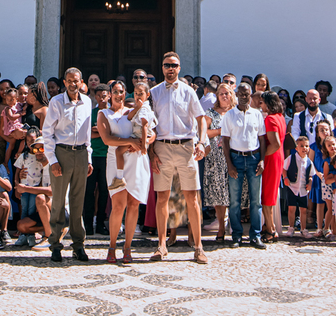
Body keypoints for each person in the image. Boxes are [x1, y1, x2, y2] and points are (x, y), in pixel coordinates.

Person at [149, 52, 209, 264]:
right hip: (162, 148)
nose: (170, 68)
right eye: (167, 65)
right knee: (162, 197)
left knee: (192, 198)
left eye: (174, 65)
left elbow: (201, 119)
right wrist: (151, 152)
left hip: (186, 147)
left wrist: (201, 142)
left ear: (179, 67)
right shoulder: (154, 93)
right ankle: (162, 245)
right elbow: (148, 124)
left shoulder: (188, 92)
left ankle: (199, 247)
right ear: (162, 67)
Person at [43, 67, 93, 263]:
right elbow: (47, 133)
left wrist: (88, 158)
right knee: (58, 201)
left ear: (82, 82)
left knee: (77, 201)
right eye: (70, 81)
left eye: (77, 81)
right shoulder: (56, 102)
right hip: (61, 153)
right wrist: (53, 160)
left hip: (80, 153)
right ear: (64, 82)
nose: (74, 84)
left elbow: (87, 131)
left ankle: (78, 244)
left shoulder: (87, 102)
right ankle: (55, 244)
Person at [98, 81, 151, 263]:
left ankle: (128, 247)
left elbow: (151, 131)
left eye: (121, 92)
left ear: (125, 93)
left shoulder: (133, 113)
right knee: (118, 204)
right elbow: (107, 139)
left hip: (135, 159)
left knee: (134, 203)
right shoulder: (104, 114)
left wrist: (144, 143)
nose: (118, 95)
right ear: (110, 94)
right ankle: (112, 246)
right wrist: (129, 142)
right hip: (116, 160)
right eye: (115, 92)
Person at [221, 82, 266, 248]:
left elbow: (262, 139)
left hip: (254, 158)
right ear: (236, 95)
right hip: (236, 158)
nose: (243, 97)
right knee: (234, 201)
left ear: (251, 95)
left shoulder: (257, 114)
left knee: (256, 200)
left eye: (246, 94)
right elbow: (225, 141)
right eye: (240, 94)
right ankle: (237, 235)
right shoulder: (229, 115)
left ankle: (255, 235)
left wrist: (262, 160)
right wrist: (230, 165)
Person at [202, 82, 234, 243]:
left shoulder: (236, 112)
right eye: (221, 93)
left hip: (234, 158)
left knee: (233, 193)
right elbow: (205, 132)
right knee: (218, 195)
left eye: (227, 93)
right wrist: (222, 131)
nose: (224, 96)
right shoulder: (211, 113)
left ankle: (234, 226)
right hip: (216, 159)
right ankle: (221, 226)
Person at [13, 129, 53, 248]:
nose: (38, 152)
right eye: (36, 149)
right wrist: (19, 180)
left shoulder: (54, 165)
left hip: (58, 208)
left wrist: (25, 189)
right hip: (44, 207)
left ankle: (49, 236)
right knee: (21, 225)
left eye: (42, 148)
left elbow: (51, 191)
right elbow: (21, 170)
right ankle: (56, 228)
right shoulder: (38, 163)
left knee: (39, 198)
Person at [83, 82, 111, 237]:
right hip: (92, 156)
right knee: (88, 191)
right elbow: (87, 134)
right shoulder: (91, 113)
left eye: (104, 95)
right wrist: (103, 132)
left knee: (104, 191)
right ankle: (88, 224)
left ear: (109, 96)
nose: (102, 98)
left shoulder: (112, 113)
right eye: (99, 95)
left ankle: (101, 223)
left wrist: (99, 131)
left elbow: (114, 134)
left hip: (108, 156)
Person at [259, 91, 287, 241]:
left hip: (271, 158)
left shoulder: (270, 119)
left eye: (262, 102)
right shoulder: (280, 117)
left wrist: (261, 157)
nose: (260, 105)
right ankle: (268, 226)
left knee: (267, 196)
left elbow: (274, 143)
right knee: (270, 193)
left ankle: (271, 229)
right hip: (278, 156)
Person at [282, 136, 318, 238]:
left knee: (303, 210)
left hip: (303, 189)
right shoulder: (291, 158)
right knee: (291, 208)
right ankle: (291, 227)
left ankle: (303, 229)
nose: (304, 148)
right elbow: (284, 168)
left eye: (306, 146)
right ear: (296, 148)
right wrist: (285, 178)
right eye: (302, 146)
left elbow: (311, 175)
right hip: (292, 187)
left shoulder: (309, 162)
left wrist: (310, 183)